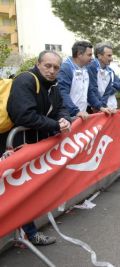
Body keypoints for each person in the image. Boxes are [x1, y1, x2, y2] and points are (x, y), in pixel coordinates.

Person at [3, 50, 71, 245]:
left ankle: (27, 233)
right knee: (19, 192)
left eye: (56, 67)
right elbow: (23, 116)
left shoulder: (54, 85)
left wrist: (64, 120)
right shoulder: (25, 80)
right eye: (47, 66)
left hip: (33, 144)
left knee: (24, 191)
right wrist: (55, 125)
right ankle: (30, 235)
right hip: (15, 144)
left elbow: (60, 108)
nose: (51, 71)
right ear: (38, 64)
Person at [58, 41, 94, 119]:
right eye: (89, 55)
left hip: (81, 116)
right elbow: (63, 93)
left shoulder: (86, 69)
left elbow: (89, 92)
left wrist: (100, 107)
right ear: (79, 54)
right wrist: (76, 111)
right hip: (68, 117)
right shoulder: (66, 68)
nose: (92, 58)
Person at [87, 43, 120, 112]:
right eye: (109, 56)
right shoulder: (91, 68)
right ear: (99, 56)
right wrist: (99, 106)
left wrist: (101, 106)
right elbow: (93, 90)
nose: (111, 59)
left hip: (103, 108)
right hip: (93, 108)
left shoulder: (109, 70)